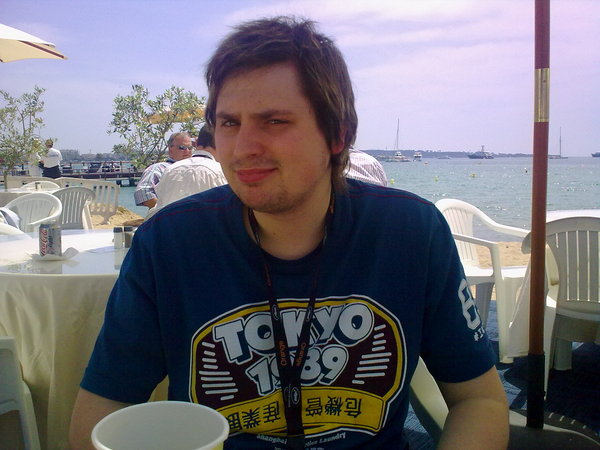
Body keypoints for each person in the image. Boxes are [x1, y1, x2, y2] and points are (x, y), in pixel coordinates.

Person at [70, 17, 508, 449]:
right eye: (229, 123)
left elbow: (478, 399)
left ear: (337, 135)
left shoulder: (410, 233)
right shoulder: (168, 243)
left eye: (274, 121)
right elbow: (101, 414)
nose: (242, 149)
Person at [148, 125, 228, 216]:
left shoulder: (170, 170)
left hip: (168, 223)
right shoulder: (221, 171)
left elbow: (159, 207)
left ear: (196, 143)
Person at [133, 132, 193, 208]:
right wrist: (165, 211)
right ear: (170, 150)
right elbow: (143, 192)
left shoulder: (197, 170)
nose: (187, 151)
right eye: (182, 147)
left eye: (190, 148)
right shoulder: (159, 168)